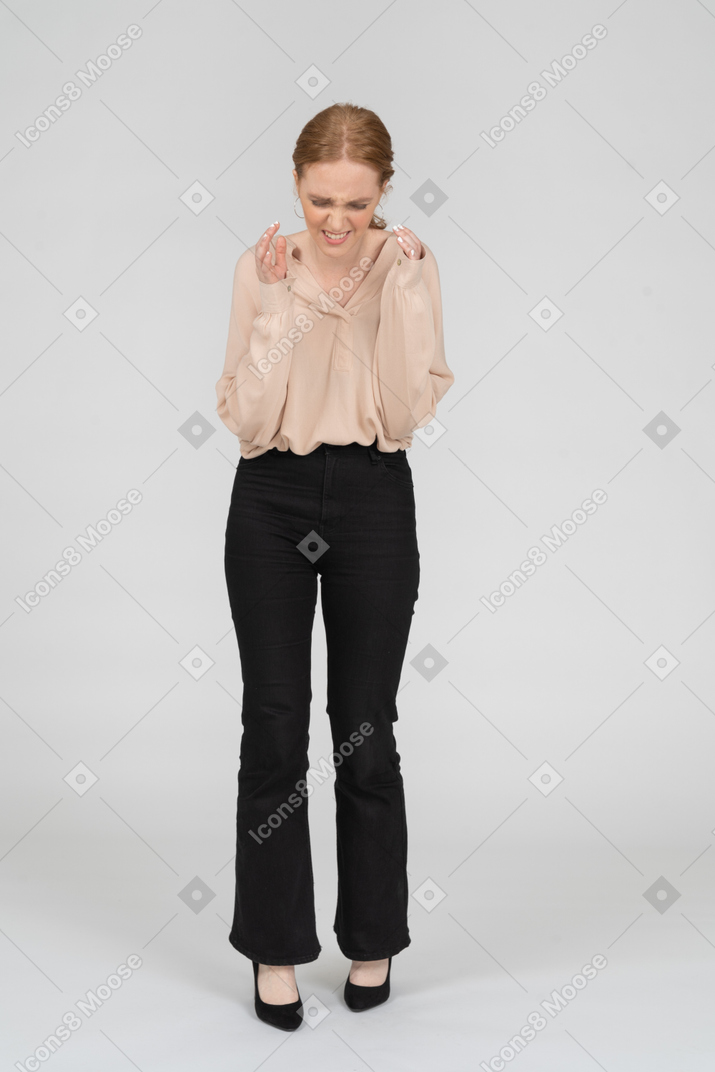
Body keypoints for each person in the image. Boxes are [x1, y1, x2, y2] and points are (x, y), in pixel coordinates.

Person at [215, 102, 454, 1030]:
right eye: (321, 201)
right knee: (273, 727)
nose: (337, 222)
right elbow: (243, 419)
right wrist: (279, 308)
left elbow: (400, 416)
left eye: (356, 203)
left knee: (364, 728)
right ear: (295, 184)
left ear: (384, 193)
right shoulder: (257, 269)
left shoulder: (411, 270)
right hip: (271, 502)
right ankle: (274, 948)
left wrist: (396, 296)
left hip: (370, 498)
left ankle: (372, 937)